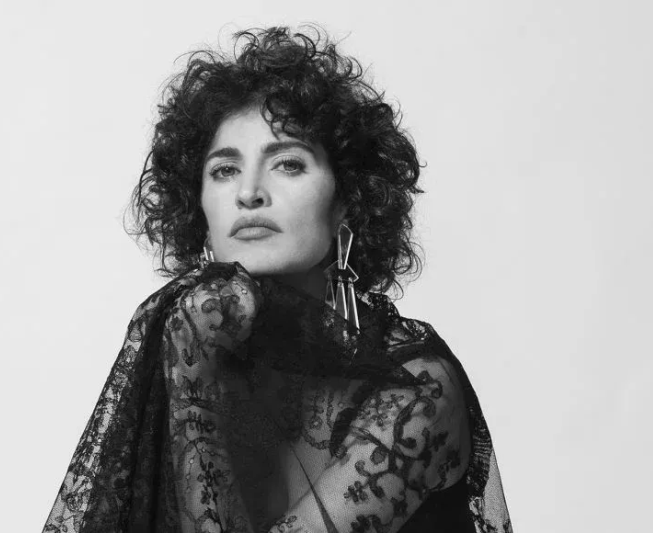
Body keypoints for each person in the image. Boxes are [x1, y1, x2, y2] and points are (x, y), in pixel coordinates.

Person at [42, 26, 513, 533]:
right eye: (224, 170)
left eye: (287, 164)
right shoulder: (215, 345)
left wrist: (190, 360)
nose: (249, 192)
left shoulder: (417, 390)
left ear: (346, 201)